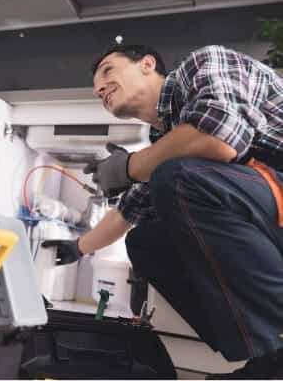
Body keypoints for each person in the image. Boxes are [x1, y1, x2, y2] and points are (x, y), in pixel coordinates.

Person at [43, 44, 283, 378]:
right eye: (96, 88)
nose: (99, 88)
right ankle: (267, 353)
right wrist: (76, 249)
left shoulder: (202, 65)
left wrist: (129, 166)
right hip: (268, 208)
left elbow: (219, 137)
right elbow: (130, 210)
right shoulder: (167, 140)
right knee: (145, 241)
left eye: (108, 71)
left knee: (179, 177)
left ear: (147, 64)